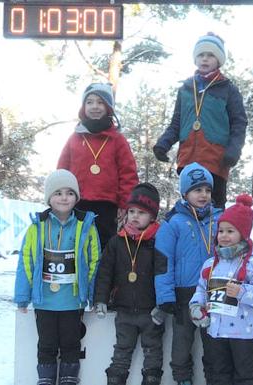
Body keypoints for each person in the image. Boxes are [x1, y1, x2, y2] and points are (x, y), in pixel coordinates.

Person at [14, 169, 101, 385]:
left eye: (70, 193)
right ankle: (46, 379)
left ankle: (69, 379)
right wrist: (22, 296)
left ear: (76, 197)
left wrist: (90, 294)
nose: (64, 197)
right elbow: (26, 261)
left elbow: (94, 261)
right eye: (58, 193)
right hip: (45, 300)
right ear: (49, 198)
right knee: (46, 344)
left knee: (71, 344)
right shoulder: (37, 227)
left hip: (72, 301)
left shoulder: (86, 226)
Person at [153, 32, 247, 209]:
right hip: (187, 160)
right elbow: (177, 122)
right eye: (201, 55)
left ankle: (213, 238)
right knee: (187, 210)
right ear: (195, 59)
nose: (205, 59)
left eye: (210, 55)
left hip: (215, 161)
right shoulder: (186, 89)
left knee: (214, 210)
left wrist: (234, 150)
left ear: (219, 59)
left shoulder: (228, 89)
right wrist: (163, 144)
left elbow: (239, 123)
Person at [189, 194, 253, 385]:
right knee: (217, 375)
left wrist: (242, 292)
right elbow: (201, 289)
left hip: (243, 334)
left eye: (230, 231)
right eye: (221, 231)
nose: (224, 236)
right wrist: (196, 306)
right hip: (214, 331)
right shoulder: (211, 264)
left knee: (246, 377)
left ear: (243, 234)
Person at [154, 162, 223, 385]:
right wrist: (165, 296)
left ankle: (215, 379)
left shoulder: (220, 219)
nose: (203, 195)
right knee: (181, 346)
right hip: (184, 295)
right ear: (185, 193)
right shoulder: (173, 222)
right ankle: (183, 380)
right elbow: (163, 262)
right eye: (197, 190)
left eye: (207, 190)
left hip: (215, 293)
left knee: (214, 345)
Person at [94, 183, 164, 385]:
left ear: (152, 216)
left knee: (153, 351)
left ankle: (151, 381)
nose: (134, 216)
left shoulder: (159, 241)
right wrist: (100, 299)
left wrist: (163, 304)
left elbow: (163, 273)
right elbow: (105, 272)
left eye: (141, 212)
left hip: (151, 311)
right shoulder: (117, 241)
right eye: (131, 211)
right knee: (121, 350)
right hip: (124, 310)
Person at [58, 82, 139, 249]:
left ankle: (101, 276)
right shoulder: (75, 138)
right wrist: (59, 197)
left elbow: (128, 174)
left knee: (103, 247)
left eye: (100, 102)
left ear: (108, 107)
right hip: (77, 203)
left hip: (107, 206)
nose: (95, 106)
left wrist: (125, 205)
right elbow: (61, 171)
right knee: (75, 246)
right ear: (83, 107)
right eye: (90, 102)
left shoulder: (118, 140)